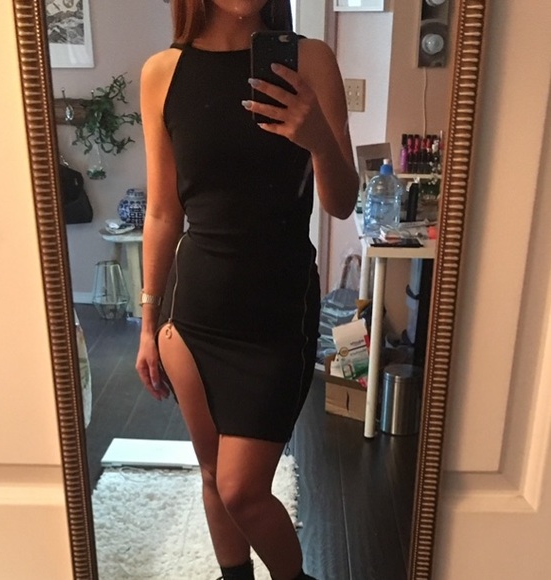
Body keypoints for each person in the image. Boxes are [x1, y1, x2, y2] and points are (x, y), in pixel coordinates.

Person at [135, 1, 358, 578]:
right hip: (193, 311)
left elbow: (341, 202)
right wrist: (147, 321)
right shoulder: (162, 73)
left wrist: (317, 139)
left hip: (277, 311)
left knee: (242, 489)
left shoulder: (311, 59)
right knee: (212, 474)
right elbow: (162, 212)